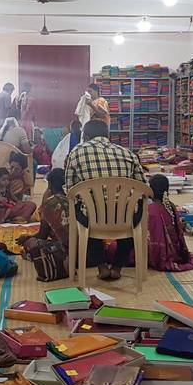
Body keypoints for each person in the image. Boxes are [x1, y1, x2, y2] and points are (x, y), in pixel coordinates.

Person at [64, 120, 149, 281]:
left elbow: (70, 189)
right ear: (108, 136)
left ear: (86, 136)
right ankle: (117, 266)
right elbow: (144, 187)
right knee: (134, 210)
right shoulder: (127, 153)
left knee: (85, 210)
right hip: (126, 218)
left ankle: (101, 265)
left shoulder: (76, 153)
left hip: (93, 219)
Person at [146, 174, 193, 272]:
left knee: (115, 248)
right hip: (176, 251)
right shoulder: (171, 206)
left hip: (159, 253)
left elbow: (152, 238)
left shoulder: (151, 210)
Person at [18, 168, 70, 252]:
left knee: (30, 244)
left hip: (66, 247)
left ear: (50, 185)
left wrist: (28, 238)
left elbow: (42, 235)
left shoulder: (49, 203)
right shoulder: (71, 197)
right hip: (81, 244)